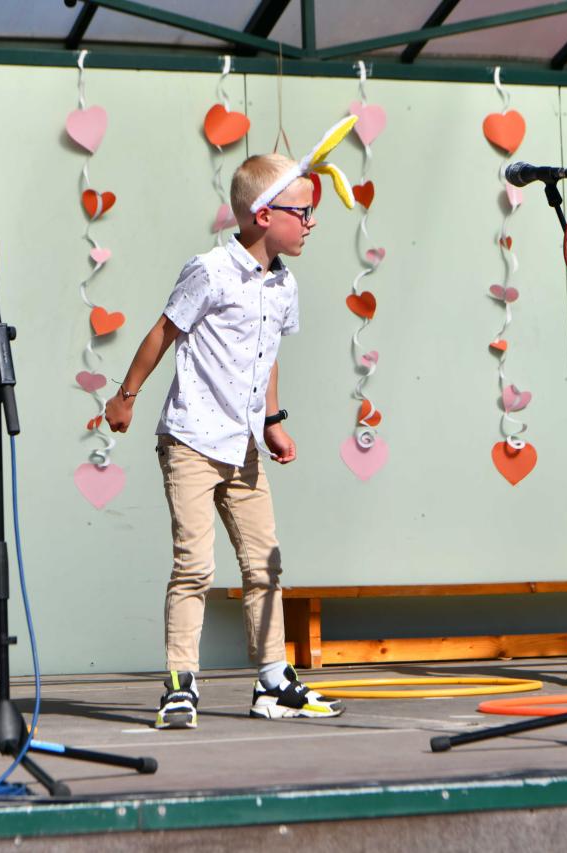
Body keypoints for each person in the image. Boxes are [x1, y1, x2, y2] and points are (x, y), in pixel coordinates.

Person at [105, 119, 360, 729]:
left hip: (243, 445)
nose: (312, 222)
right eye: (303, 211)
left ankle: (273, 683)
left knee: (265, 565)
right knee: (194, 565)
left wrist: (272, 421)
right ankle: (179, 684)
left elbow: (266, 356)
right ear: (262, 216)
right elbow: (163, 331)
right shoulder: (211, 270)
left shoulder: (284, 285)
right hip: (192, 439)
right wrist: (126, 396)